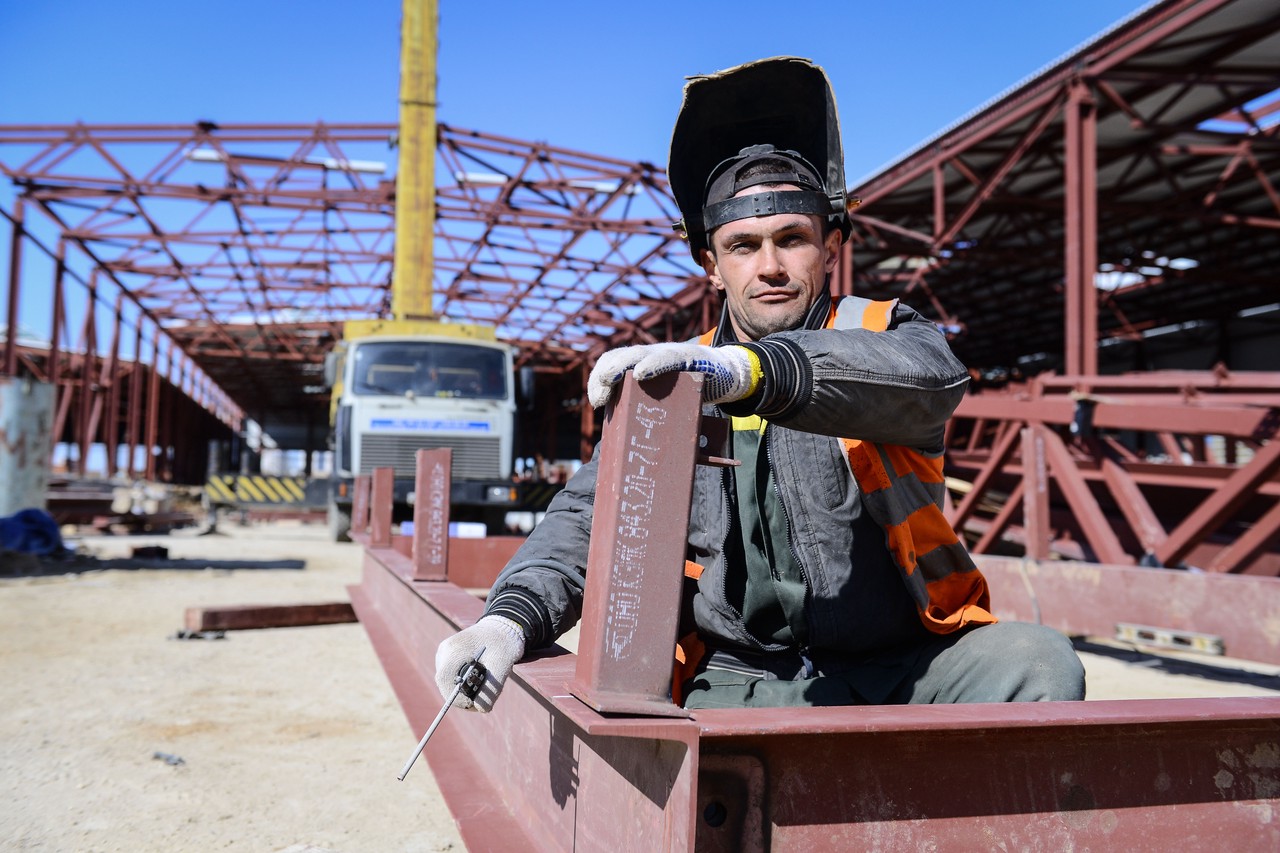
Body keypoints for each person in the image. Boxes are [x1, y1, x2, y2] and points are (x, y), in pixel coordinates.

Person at [435, 57, 1085, 713]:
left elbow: (929, 380)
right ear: (711, 264)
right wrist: (510, 618)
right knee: (663, 747)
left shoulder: (883, 332)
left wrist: (751, 371)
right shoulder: (672, 378)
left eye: (791, 238)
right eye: (743, 245)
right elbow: (587, 518)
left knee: (1038, 662)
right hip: (739, 678)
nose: (769, 266)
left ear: (830, 246)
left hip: (902, 666)